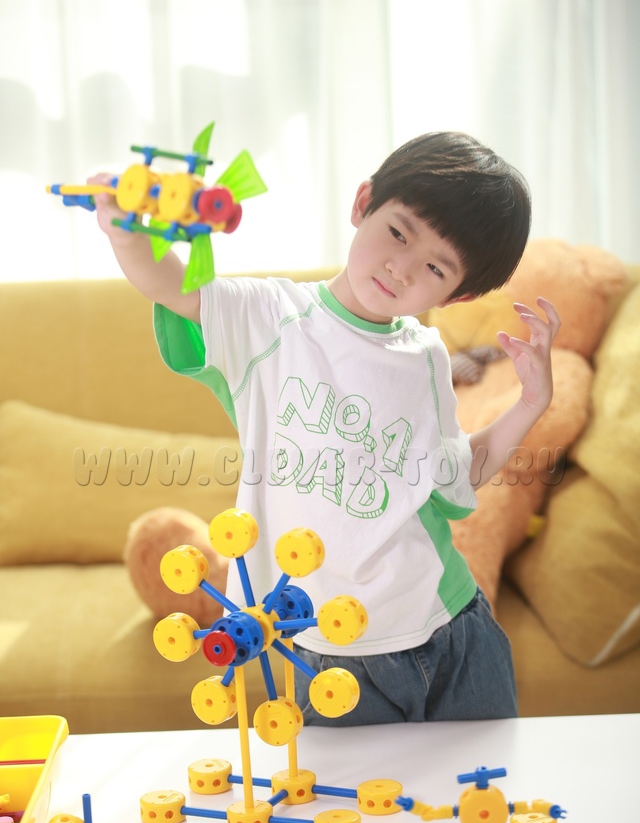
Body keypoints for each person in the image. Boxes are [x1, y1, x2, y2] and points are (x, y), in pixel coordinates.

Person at [90, 131, 559, 725]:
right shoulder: (268, 319)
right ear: (364, 203)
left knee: (491, 786)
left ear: (458, 293)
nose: (400, 268)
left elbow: (452, 478)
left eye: (435, 267)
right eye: (399, 232)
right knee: (350, 791)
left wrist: (530, 403)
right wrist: (126, 232)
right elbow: (172, 286)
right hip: (328, 656)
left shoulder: (427, 356)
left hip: (452, 631)